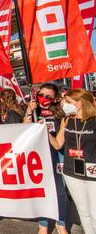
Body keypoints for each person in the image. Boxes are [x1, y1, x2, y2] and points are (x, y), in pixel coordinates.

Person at [49, 88, 96, 234]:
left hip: (93, 172)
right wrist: (43, 130)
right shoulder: (66, 120)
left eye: (68, 102)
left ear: (80, 103)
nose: (64, 105)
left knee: (95, 214)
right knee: (84, 213)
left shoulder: (94, 121)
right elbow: (58, 144)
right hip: (71, 172)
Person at [24, 83, 68, 234]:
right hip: (39, 155)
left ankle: (60, 222)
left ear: (55, 98)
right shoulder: (34, 109)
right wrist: (29, 111)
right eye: (41, 95)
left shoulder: (61, 113)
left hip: (57, 154)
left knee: (59, 190)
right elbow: (24, 129)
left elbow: (59, 142)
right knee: (42, 191)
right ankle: (43, 224)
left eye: (48, 96)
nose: (43, 99)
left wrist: (44, 130)